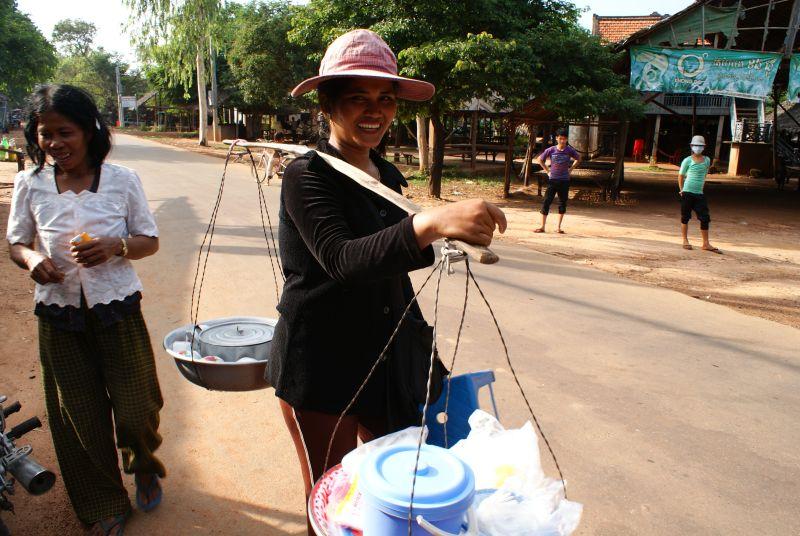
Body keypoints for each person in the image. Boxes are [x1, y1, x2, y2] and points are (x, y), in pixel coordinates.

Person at [266, 29, 507, 526]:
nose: (374, 111)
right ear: (328, 105)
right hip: (321, 364)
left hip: (385, 359)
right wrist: (431, 222)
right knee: (330, 499)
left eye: (385, 99)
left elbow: (390, 270)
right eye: (357, 99)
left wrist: (425, 355)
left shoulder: (387, 175)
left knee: (392, 491)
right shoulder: (307, 176)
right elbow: (343, 259)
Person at [6, 84, 165, 536]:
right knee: (79, 414)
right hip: (59, 316)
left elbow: (149, 242)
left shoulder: (122, 180)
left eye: (65, 132)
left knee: (138, 408)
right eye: (45, 133)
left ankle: (144, 461)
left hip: (117, 310)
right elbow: (18, 242)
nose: (55, 143)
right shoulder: (29, 184)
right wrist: (34, 260)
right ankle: (102, 501)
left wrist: (117, 246)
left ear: (89, 130)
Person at [679, 135, 721, 253]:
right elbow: (681, 176)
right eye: (695, 145)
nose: (698, 148)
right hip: (687, 192)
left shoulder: (707, 160)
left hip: (699, 194)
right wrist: (681, 189)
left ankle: (705, 243)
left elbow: (704, 174)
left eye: (700, 146)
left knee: (705, 218)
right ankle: (685, 240)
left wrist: (702, 186)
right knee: (685, 217)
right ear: (691, 146)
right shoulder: (687, 160)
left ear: (704, 147)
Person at [535, 128, 581, 234]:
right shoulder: (551, 150)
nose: (562, 141)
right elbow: (540, 159)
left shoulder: (569, 150)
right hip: (553, 180)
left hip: (564, 181)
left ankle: (558, 227)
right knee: (547, 202)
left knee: (562, 203)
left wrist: (570, 170)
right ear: (556, 139)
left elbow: (578, 158)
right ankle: (542, 226)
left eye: (564, 139)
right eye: (560, 138)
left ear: (567, 139)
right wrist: (547, 171)